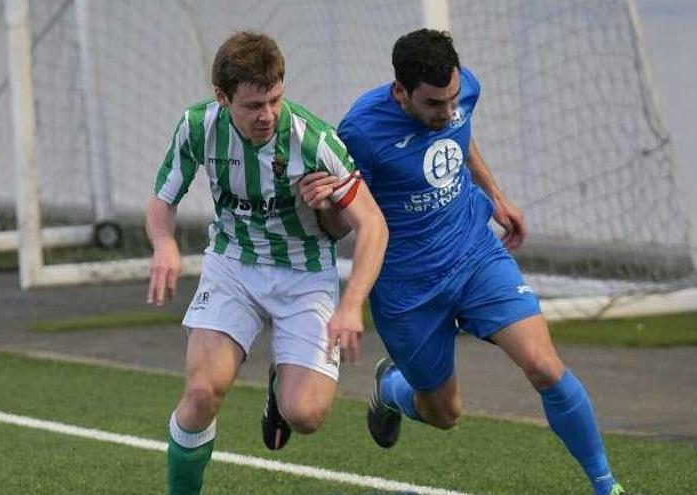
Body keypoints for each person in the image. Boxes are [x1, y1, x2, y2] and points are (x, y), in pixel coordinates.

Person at [300, 29, 631, 495]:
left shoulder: (462, 91)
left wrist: (495, 194)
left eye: (454, 97)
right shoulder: (360, 133)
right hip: (408, 289)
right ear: (400, 92)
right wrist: (325, 202)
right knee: (445, 414)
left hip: (474, 254)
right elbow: (342, 226)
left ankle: (606, 485)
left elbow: (461, 133)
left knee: (543, 365)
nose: (448, 110)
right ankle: (391, 390)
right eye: (435, 103)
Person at [146, 31, 388, 495]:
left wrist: (353, 303)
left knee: (307, 415)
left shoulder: (313, 139)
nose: (268, 115)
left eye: (275, 100)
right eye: (254, 105)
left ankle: (281, 385)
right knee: (201, 394)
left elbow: (373, 225)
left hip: (304, 273)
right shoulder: (197, 127)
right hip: (233, 264)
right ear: (222, 98)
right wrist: (164, 243)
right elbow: (162, 201)